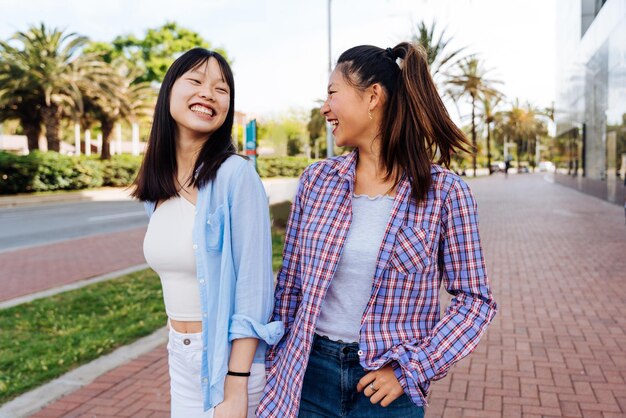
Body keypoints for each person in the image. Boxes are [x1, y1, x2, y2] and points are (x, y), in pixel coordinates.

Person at [257, 43, 497, 417]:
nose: (324, 108)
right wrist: (273, 364)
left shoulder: (445, 193)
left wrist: (411, 369)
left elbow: (475, 302)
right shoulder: (317, 181)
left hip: (386, 390)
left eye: (333, 93)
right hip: (308, 375)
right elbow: (290, 286)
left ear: (373, 97)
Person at [132, 48, 283, 418]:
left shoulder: (236, 175)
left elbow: (253, 288)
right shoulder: (160, 185)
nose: (209, 94)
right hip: (179, 353)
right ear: (169, 91)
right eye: (196, 81)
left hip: (227, 361)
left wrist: (236, 384)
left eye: (221, 89)